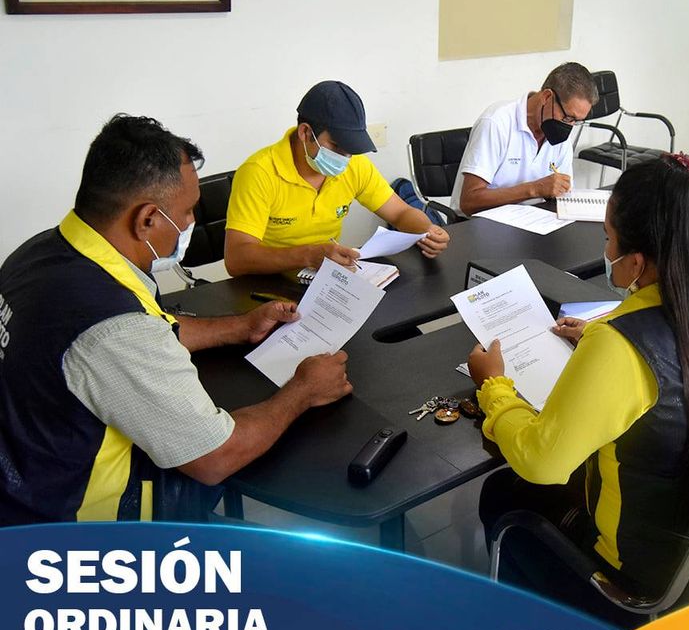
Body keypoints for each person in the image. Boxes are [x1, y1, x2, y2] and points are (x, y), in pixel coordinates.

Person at [466, 155, 689, 611]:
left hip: (642, 575)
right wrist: (604, 338)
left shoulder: (619, 346)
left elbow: (542, 462)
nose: (606, 249)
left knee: (504, 492)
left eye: (608, 238)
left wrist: (494, 387)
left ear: (636, 262)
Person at [0, 115, 353, 525]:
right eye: (186, 212)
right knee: (288, 550)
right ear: (147, 219)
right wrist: (303, 391)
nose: (189, 223)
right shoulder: (113, 327)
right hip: (83, 527)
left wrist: (239, 326)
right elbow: (215, 456)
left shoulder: (40, 254)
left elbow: (144, 326)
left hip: (24, 476)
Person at [224, 81, 449, 276]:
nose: (344, 157)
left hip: (325, 278)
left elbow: (400, 213)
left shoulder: (355, 165)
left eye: (351, 149)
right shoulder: (259, 173)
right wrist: (308, 255)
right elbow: (236, 259)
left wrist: (427, 230)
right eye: (336, 146)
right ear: (305, 133)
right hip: (266, 284)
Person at [451, 62, 598, 216]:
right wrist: (534, 189)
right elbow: (469, 202)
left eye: (577, 121)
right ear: (547, 97)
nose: (570, 126)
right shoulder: (496, 123)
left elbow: (563, 194)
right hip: (478, 222)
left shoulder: (559, 134)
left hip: (532, 219)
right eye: (568, 117)